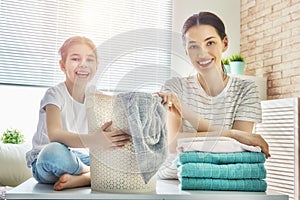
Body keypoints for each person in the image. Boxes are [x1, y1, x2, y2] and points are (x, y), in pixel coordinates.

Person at [157, 12, 270, 178]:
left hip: (226, 178)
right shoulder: (174, 87)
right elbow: (173, 144)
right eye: (193, 46)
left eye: (210, 43)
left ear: (224, 43)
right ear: (186, 51)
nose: (202, 53)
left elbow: (238, 148)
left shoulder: (246, 90)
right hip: (176, 179)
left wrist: (187, 115)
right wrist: (231, 133)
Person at [25, 36, 131, 191]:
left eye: (89, 60)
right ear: (62, 65)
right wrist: (94, 140)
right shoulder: (55, 94)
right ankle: (91, 175)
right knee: (53, 152)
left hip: (78, 158)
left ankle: (82, 178)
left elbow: (125, 104)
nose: (83, 65)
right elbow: (55, 134)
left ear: (97, 65)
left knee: (125, 161)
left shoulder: (96, 96)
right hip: (47, 160)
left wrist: (157, 99)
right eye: (75, 59)